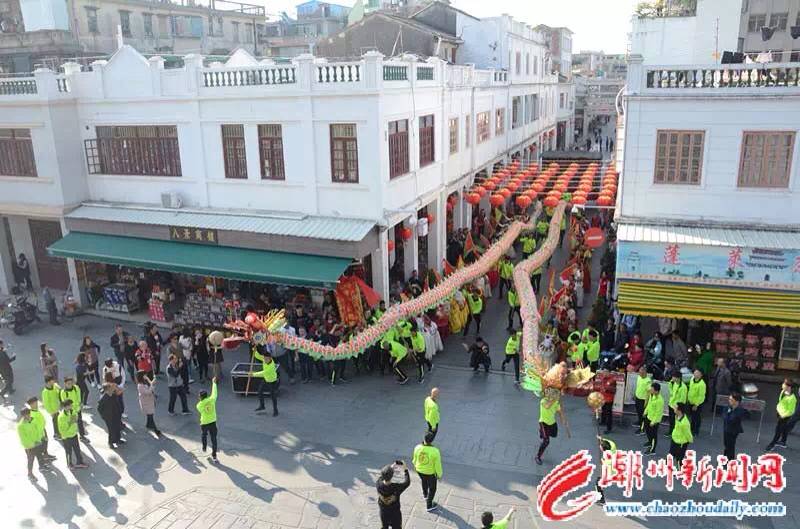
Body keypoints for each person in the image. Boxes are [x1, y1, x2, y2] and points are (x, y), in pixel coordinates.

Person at [412, 432, 442, 512]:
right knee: (432, 488)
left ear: (423, 438)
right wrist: (439, 475)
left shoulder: (417, 447)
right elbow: (437, 465)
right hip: (430, 472)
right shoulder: (435, 451)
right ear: (432, 440)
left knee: (424, 481)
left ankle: (425, 495)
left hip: (419, 470)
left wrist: (416, 466)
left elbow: (414, 459)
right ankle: (429, 505)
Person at [18, 408, 51, 480]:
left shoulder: (34, 420)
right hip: (29, 447)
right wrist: (32, 444)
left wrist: (42, 437)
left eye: (28, 414)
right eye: (25, 415)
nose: (27, 416)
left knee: (40, 455)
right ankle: (30, 474)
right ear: (22, 416)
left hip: (38, 442)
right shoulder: (21, 426)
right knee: (31, 460)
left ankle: (42, 466)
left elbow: (39, 429)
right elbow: (24, 439)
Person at [376, 461, 410, 529]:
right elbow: (407, 482)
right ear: (392, 476)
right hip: (395, 514)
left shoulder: (378, 484)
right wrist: (405, 470)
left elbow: (382, 477)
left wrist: (390, 469)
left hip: (383, 513)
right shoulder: (396, 487)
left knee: (384, 527)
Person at [536, 391, 567, 465]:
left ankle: (543, 434)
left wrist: (563, 419)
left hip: (552, 422)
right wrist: (554, 399)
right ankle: (538, 457)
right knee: (546, 441)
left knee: (554, 434)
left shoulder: (556, 402)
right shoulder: (543, 401)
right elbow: (547, 406)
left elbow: (559, 411)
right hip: (543, 422)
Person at [766, 380, 797, 451]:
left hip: (784, 416)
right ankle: (783, 442)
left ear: (789, 387)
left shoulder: (792, 399)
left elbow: (791, 411)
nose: (782, 385)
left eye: (784, 384)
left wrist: (783, 416)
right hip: (780, 413)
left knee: (778, 430)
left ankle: (772, 444)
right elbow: (781, 401)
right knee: (784, 428)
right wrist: (778, 410)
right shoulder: (783, 392)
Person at [57, 400, 88, 469]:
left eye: (71, 405)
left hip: (74, 434)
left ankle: (79, 462)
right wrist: (71, 422)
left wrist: (74, 419)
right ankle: (69, 464)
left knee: (77, 449)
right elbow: (62, 429)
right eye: (70, 405)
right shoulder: (61, 417)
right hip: (67, 437)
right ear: (65, 407)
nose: (71, 407)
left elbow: (76, 416)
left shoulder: (72, 411)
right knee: (68, 452)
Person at [26, 396, 56, 461]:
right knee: (43, 445)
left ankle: (46, 454)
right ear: (31, 405)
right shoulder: (32, 414)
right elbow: (34, 426)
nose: (36, 404)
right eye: (35, 403)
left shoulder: (36, 411)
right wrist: (41, 435)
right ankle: (43, 458)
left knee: (45, 443)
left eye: (36, 402)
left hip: (43, 430)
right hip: (40, 432)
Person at [252, 348, 279, 416]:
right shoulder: (264, 359)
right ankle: (262, 406)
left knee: (273, 396)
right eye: (264, 358)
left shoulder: (271, 366)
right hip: (266, 379)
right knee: (259, 391)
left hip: (272, 381)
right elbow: (258, 356)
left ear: (270, 358)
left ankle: (275, 411)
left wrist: (253, 374)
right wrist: (254, 351)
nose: (265, 360)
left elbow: (263, 373)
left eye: (266, 359)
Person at [60, 377, 88, 442]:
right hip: (71, 411)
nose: (70, 385)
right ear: (65, 384)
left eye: (71, 383)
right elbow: (65, 403)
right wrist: (72, 411)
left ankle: (82, 436)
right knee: (72, 424)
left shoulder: (76, 388)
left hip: (77, 409)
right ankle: (70, 437)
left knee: (80, 422)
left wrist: (80, 405)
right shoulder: (63, 392)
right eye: (68, 384)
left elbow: (79, 397)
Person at [197, 378, 219, 462]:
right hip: (213, 422)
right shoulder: (212, 399)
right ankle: (214, 456)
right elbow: (214, 392)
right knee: (214, 439)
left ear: (200, 397)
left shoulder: (199, 405)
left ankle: (204, 447)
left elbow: (201, 411)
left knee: (204, 435)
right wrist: (214, 383)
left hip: (204, 423)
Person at [97, 383, 125, 448]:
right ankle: (110, 442)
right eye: (111, 388)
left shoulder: (113, 394)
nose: (112, 389)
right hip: (109, 417)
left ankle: (118, 439)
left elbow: (120, 391)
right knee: (111, 429)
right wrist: (104, 416)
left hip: (116, 414)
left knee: (117, 427)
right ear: (107, 390)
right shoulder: (104, 398)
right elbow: (99, 408)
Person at [136, 372, 161, 437]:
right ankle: (156, 430)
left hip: (150, 401)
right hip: (146, 403)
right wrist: (152, 384)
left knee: (150, 415)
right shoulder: (140, 385)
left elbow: (151, 386)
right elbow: (148, 391)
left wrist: (151, 381)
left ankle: (148, 424)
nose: (146, 375)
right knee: (150, 415)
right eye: (144, 375)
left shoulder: (145, 381)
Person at [723, 392, 746, 460]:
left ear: (736, 402)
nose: (729, 401)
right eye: (729, 399)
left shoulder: (740, 410)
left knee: (731, 445)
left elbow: (732, 419)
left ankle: (730, 459)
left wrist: (728, 414)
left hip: (733, 430)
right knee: (726, 444)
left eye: (731, 400)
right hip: (726, 428)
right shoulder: (728, 407)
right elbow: (724, 416)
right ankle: (725, 458)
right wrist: (728, 415)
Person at [643, 382, 664, 455]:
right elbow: (649, 405)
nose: (650, 390)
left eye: (652, 389)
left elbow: (658, 413)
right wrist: (645, 412)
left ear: (656, 391)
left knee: (653, 435)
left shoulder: (660, 400)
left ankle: (652, 450)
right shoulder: (652, 395)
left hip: (654, 421)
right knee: (648, 432)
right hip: (648, 417)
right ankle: (650, 442)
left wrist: (653, 422)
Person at [667, 371, 687, 437]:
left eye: (674, 377)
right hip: (671, 404)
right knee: (671, 420)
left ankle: (674, 433)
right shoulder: (674, 383)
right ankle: (671, 431)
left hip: (676, 407)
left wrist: (677, 408)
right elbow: (671, 391)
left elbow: (682, 400)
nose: (672, 378)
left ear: (678, 378)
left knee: (675, 421)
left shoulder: (683, 387)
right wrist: (670, 384)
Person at [687, 369, 706, 436]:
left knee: (697, 417)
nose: (695, 374)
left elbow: (701, 396)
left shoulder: (702, 384)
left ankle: (696, 431)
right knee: (692, 417)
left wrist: (696, 405)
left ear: (701, 375)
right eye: (694, 372)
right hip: (690, 402)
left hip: (697, 404)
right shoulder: (692, 379)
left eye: (697, 373)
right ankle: (691, 429)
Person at [633, 366, 652, 431]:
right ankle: (639, 422)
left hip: (643, 400)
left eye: (641, 373)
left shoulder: (648, 381)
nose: (639, 374)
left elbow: (649, 393)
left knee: (643, 414)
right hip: (637, 398)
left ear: (645, 372)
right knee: (638, 412)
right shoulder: (639, 377)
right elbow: (638, 386)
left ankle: (642, 428)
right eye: (639, 372)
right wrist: (635, 394)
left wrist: (646, 402)